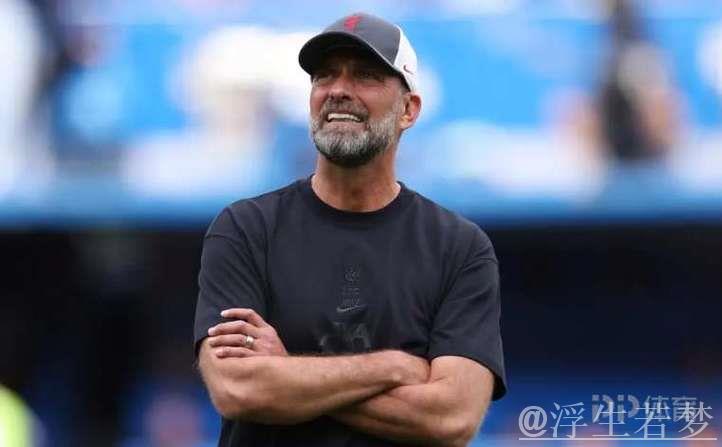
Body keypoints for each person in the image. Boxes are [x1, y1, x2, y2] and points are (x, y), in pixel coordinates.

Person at [193, 12, 506, 446]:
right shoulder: (245, 229)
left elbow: (452, 417)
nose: (338, 90)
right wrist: (393, 367)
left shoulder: (459, 247)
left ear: (409, 110)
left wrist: (287, 373)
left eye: (365, 76)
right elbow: (238, 389)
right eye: (324, 75)